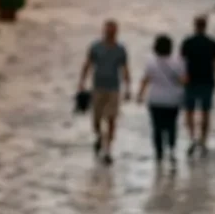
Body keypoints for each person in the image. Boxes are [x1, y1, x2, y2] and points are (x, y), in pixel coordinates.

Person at [78, 20, 131, 165]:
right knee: (96, 119)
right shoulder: (95, 47)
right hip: (97, 88)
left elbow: (125, 68)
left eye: (112, 31)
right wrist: (81, 82)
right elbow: (87, 64)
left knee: (111, 119)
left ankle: (108, 150)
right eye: (108, 31)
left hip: (113, 88)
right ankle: (99, 137)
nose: (110, 34)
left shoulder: (120, 50)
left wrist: (127, 87)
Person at [138, 34, 187, 170]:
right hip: (173, 100)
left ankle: (159, 153)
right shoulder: (178, 62)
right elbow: (184, 80)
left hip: (155, 100)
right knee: (171, 126)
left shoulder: (150, 62)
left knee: (157, 127)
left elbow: (145, 80)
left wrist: (140, 95)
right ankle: (171, 150)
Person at [180, 15, 215, 157]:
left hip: (191, 82)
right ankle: (203, 140)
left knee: (190, 111)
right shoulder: (212, 43)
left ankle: (192, 137)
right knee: (205, 112)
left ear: (195, 26)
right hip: (207, 81)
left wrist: (180, 79)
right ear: (205, 26)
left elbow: (180, 63)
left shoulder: (187, 42)